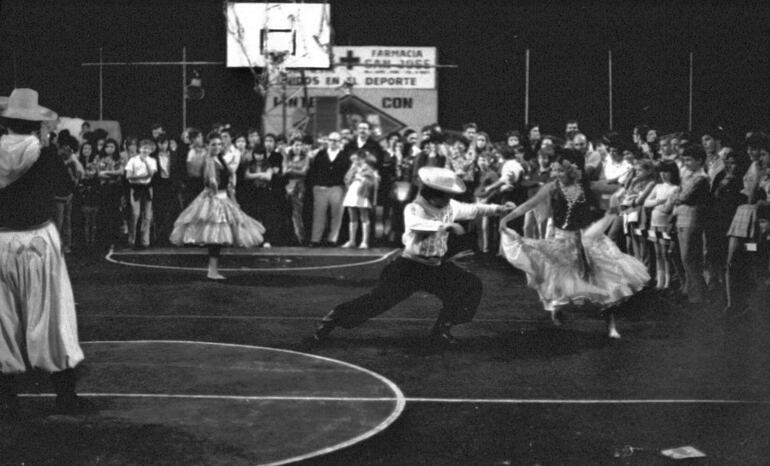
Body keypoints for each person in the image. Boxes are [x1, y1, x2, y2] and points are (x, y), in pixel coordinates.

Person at [313, 167, 515, 345]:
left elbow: (475, 209)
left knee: (469, 286)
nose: (447, 200)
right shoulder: (414, 208)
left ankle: (441, 330)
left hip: (435, 267)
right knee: (377, 302)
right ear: (432, 194)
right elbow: (415, 224)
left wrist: (500, 209)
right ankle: (333, 319)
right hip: (409, 268)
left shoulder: (450, 206)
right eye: (444, 195)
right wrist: (444, 225)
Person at [0, 88, 90, 417]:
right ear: (35, 124)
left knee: (2, 320)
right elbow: (64, 189)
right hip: (37, 240)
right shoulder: (45, 153)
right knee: (51, 316)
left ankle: (7, 399)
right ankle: (65, 395)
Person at [499, 156, 650, 339]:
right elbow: (531, 204)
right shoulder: (553, 186)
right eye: (554, 170)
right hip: (564, 240)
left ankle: (611, 325)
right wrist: (507, 218)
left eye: (560, 170)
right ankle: (556, 306)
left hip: (589, 240)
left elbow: (610, 188)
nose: (556, 174)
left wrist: (626, 186)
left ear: (570, 171)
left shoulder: (584, 186)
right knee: (558, 275)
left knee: (605, 279)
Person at [169, 132, 265, 280]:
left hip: (222, 197)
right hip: (214, 199)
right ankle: (212, 271)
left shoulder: (219, 159)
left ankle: (213, 270)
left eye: (219, 144)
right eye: (213, 144)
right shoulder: (209, 160)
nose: (217, 147)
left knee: (218, 237)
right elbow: (211, 181)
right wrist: (216, 191)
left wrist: (231, 193)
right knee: (215, 236)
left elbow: (228, 179)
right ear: (208, 145)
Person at [341, 149, 379, 249]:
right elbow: (346, 179)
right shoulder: (353, 168)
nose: (356, 162)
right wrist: (353, 176)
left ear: (363, 159)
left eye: (359, 159)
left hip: (362, 194)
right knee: (352, 217)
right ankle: (352, 240)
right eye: (355, 160)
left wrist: (361, 178)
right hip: (352, 192)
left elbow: (372, 183)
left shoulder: (369, 170)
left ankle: (364, 241)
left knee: (364, 217)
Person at [124, 139, 158, 249]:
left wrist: (146, 163)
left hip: (147, 188)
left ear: (151, 150)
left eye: (148, 148)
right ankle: (132, 239)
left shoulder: (152, 160)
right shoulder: (132, 160)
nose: (145, 150)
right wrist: (142, 177)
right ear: (139, 148)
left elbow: (151, 174)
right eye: (143, 147)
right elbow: (129, 176)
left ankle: (145, 241)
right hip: (135, 188)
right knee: (135, 215)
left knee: (147, 216)